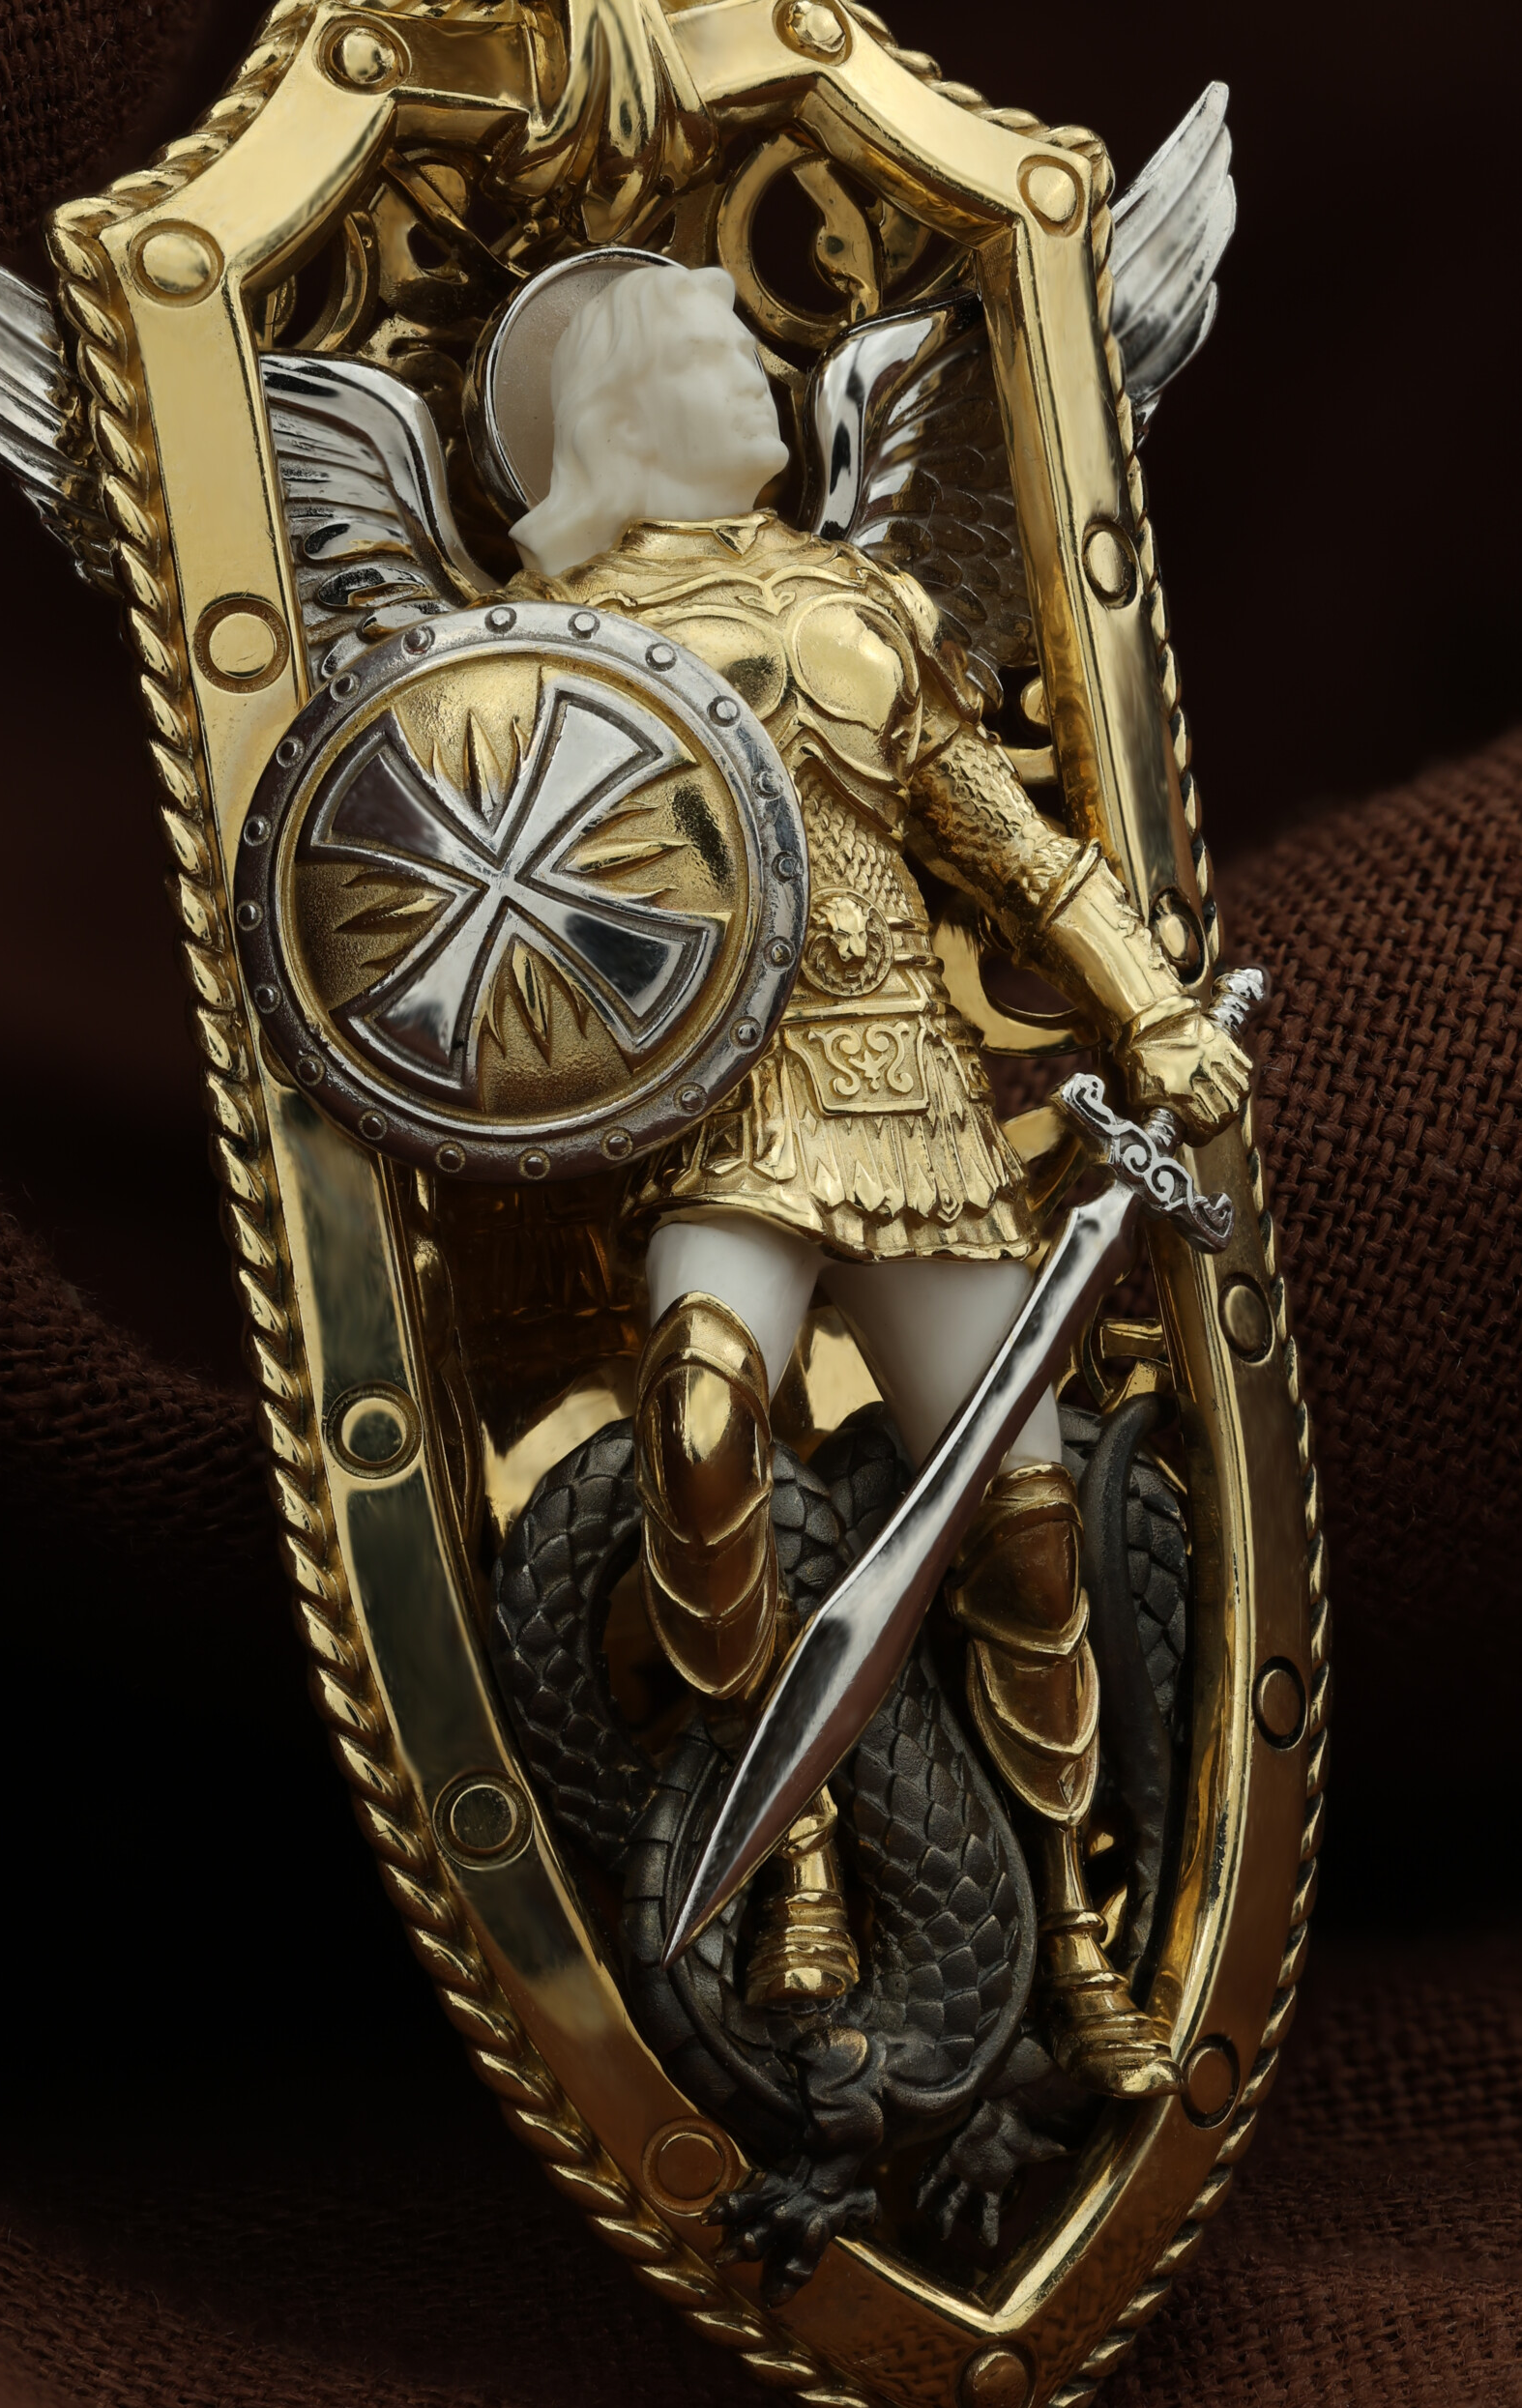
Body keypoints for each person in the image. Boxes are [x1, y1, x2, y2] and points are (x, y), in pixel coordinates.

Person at [508, 261, 1249, 2097]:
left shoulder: (862, 598)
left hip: (910, 1083)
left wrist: (1153, 1008)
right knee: (698, 1419)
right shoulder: (562, 643)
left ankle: (1071, 1928)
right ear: (625, 412)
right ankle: (802, 1859)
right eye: (712, 358)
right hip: (730, 1105)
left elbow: (999, 830)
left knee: (1028, 1520)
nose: (757, 378)